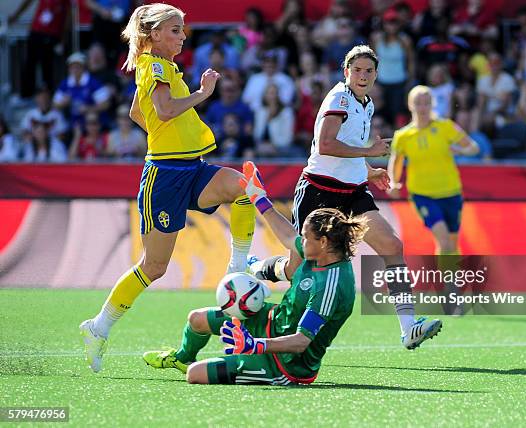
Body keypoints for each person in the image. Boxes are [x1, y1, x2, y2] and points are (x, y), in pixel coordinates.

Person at [79, 3, 256, 373]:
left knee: (244, 188)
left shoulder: (160, 66)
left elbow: (136, 114)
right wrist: (202, 94)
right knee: (154, 266)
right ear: (154, 34)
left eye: (183, 29)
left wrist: (165, 135)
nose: (183, 35)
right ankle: (98, 327)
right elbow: (163, 110)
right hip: (164, 177)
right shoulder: (155, 65)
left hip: (190, 166)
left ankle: (238, 265)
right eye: (175, 29)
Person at [143, 161, 366, 386]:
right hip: (271, 322)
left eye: (306, 237)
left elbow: (301, 342)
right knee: (197, 319)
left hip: (285, 363)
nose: (301, 241)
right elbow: (288, 236)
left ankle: (239, 362)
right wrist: (259, 199)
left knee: (196, 375)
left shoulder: (331, 285)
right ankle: (182, 358)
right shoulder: (318, 252)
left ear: (325, 241)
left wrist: (254, 345)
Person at [282, 45, 441, 349]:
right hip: (319, 190)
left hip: (353, 192)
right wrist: (369, 152)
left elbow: (348, 146)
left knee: (392, 246)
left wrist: (368, 170)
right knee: (296, 267)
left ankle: (409, 327)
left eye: (369, 71)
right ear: (346, 72)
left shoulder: (365, 103)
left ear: (376, 75)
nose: (363, 75)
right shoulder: (339, 98)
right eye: (357, 70)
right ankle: (259, 269)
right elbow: (326, 145)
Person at [388, 85, 479, 256]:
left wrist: (460, 150)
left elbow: (473, 148)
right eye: (418, 103)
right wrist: (393, 182)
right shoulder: (403, 136)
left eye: (426, 103)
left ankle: (451, 278)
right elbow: (396, 161)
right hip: (422, 194)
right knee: (443, 239)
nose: (422, 107)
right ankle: (448, 283)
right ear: (410, 105)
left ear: (433, 104)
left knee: (451, 243)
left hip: (451, 191)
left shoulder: (445, 126)